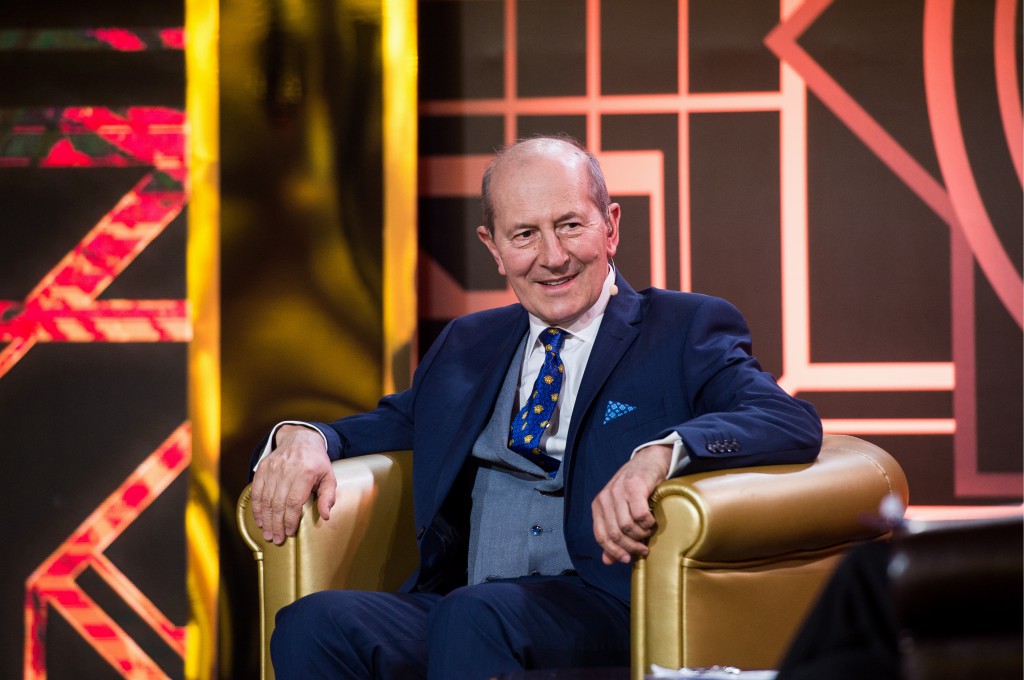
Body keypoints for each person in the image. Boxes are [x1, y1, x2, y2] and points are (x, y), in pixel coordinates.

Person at [249, 135, 823, 679]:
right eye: (524, 235)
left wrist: (659, 454)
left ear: (610, 226)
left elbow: (784, 418)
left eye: (570, 225)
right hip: (465, 602)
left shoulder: (682, 327)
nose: (552, 257)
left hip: (603, 605)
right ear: (493, 248)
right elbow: (394, 422)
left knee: (475, 616)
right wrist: (305, 437)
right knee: (315, 623)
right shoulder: (467, 343)